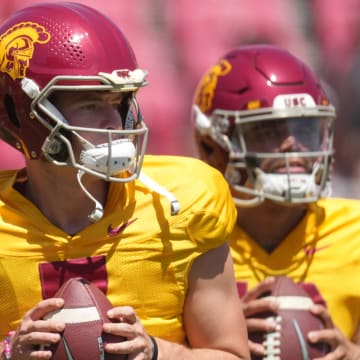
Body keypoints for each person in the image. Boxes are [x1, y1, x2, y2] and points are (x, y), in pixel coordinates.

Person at [0, 3, 250, 360]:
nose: (113, 123)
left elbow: (232, 355)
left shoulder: (180, 205)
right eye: (89, 104)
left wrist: (156, 351)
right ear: (18, 111)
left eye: (117, 102)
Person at [192, 44, 360, 359]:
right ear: (211, 146)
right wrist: (216, 335)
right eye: (268, 130)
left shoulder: (356, 231)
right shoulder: (187, 237)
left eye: (305, 129)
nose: (293, 147)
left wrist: (351, 353)